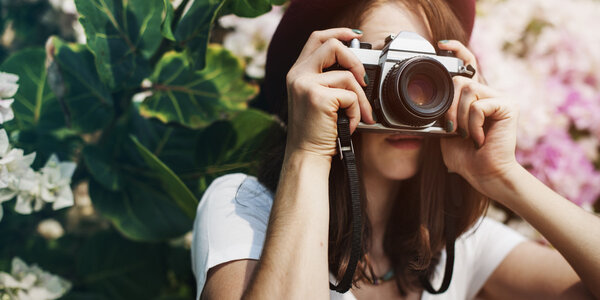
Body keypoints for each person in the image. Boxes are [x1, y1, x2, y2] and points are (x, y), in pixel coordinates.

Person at [191, 0, 600, 299]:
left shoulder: (456, 245)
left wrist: (503, 176)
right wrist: (309, 152)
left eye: (424, 73)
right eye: (384, 70)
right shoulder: (242, 209)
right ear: (325, 75)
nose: (410, 100)